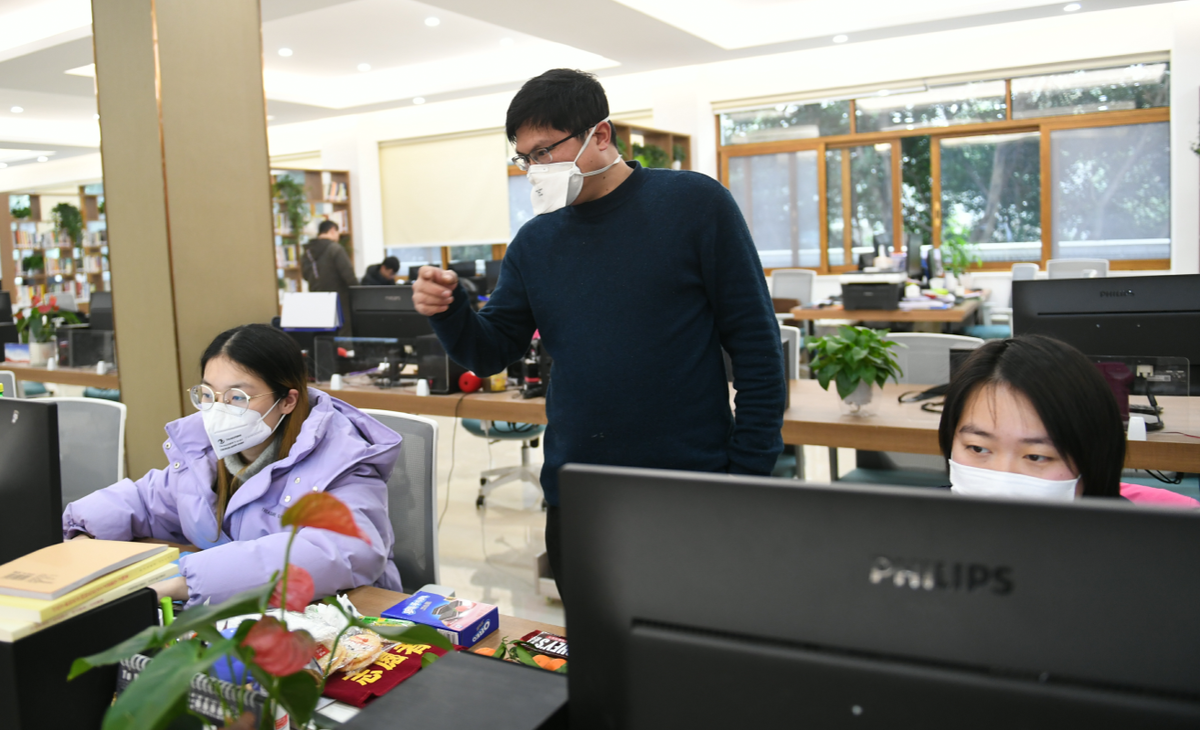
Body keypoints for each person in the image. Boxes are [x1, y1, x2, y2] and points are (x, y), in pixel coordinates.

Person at [412, 69, 786, 596]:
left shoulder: (694, 204)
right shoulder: (535, 242)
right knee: (593, 644)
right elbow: (492, 351)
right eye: (525, 159)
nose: (535, 170)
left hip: (692, 488)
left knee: (696, 642)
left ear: (601, 135)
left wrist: (746, 477)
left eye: (545, 151)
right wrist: (448, 310)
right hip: (579, 495)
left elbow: (757, 349)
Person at [62, 324, 405, 607]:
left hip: (341, 623)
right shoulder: (204, 456)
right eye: (208, 395)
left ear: (288, 400)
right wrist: (83, 535)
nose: (218, 411)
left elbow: (339, 551)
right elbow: (145, 500)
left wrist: (188, 581)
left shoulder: (344, 462)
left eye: (237, 398)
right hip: (235, 615)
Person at [939, 335, 1198, 505]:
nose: (1001, 480)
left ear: (1093, 459)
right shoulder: (921, 528)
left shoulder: (1143, 556)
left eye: (1036, 456)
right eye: (977, 448)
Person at [301, 220, 356, 336]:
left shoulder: (307, 252)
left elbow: (305, 276)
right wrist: (358, 294)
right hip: (339, 301)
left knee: (323, 336)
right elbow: (349, 276)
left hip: (317, 300)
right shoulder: (335, 249)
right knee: (342, 336)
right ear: (332, 231)